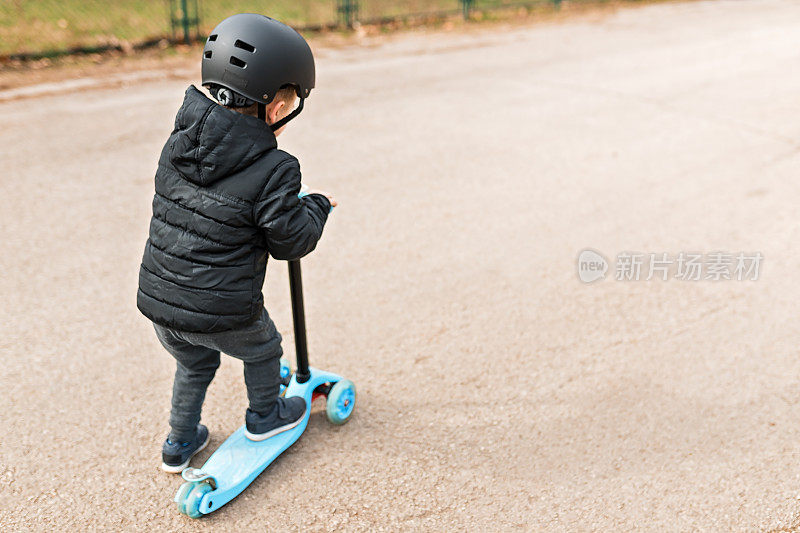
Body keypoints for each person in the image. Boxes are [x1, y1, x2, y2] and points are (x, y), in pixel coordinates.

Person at [136, 13, 336, 473]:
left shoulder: (180, 142)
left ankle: (179, 441)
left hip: (161, 302)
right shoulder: (276, 168)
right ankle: (266, 416)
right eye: (291, 102)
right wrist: (317, 206)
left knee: (194, 363)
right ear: (277, 108)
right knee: (263, 347)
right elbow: (291, 241)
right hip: (221, 308)